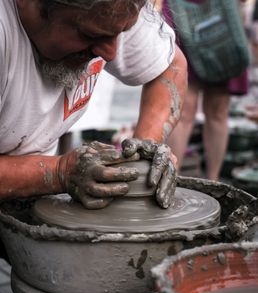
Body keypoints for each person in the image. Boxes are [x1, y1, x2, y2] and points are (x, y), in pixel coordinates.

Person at [0, 0, 187, 219]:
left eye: (121, 33)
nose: (110, 53)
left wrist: (146, 147)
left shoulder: (111, 12)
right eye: (89, 35)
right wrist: (58, 172)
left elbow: (171, 66)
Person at [163, 0, 248, 181]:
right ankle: (171, 179)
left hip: (221, 17)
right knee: (183, 111)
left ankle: (213, 180)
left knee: (217, 111)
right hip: (180, 11)